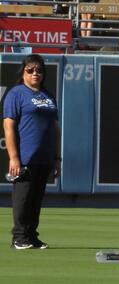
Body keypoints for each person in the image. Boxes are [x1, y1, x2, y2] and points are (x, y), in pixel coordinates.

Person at [3, 54, 61, 250]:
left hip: (44, 156)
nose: (35, 73)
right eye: (30, 70)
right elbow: (9, 126)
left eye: (39, 70)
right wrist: (14, 157)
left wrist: (56, 157)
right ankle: (19, 237)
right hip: (25, 156)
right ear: (23, 72)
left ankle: (31, 235)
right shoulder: (16, 94)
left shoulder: (48, 95)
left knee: (36, 198)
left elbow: (55, 129)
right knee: (23, 197)